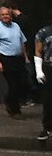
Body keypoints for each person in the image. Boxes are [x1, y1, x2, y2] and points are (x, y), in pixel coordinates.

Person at [0, 3, 29, 118]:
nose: (5, 16)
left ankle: (8, 100)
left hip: (18, 58)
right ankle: (15, 110)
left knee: (22, 83)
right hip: (6, 58)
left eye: (7, 14)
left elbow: (22, 42)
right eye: (3, 15)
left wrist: (25, 56)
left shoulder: (16, 26)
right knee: (13, 84)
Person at [33, 10, 52, 143]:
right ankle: (47, 127)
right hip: (49, 67)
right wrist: (39, 71)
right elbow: (38, 51)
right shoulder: (43, 32)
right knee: (48, 99)